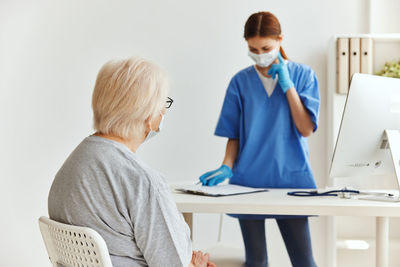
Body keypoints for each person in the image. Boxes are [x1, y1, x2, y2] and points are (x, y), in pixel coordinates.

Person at [48, 57, 216, 267]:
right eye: (163, 103)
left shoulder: (69, 169)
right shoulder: (143, 183)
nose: (164, 111)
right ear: (148, 115)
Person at [199, 11, 320, 267]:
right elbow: (234, 134)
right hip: (248, 183)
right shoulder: (239, 83)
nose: (260, 54)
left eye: (266, 47)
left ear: (280, 40)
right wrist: (226, 166)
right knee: (256, 262)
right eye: (253, 49)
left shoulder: (303, 76)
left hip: (292, 182)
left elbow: (306, 128)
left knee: (304, 262)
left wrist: (288, 87)